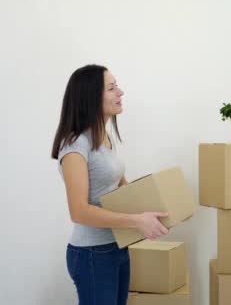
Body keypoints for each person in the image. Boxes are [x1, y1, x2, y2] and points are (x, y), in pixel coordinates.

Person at [51, 64, 169, 304]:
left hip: (117, 246)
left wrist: (154, 209)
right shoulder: (75, 146)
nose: (121, 92)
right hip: (92, 254)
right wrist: (137, 221)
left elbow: (120, 187)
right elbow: (79, 211)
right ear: (91, 96)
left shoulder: (104, 138)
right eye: (112, 88)